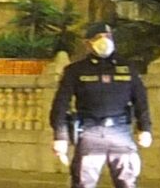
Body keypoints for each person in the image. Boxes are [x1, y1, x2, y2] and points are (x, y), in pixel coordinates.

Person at [49, 22, 151, 188]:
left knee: (127, 182)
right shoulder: (75, 70)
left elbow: (141, 100)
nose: (105, 40)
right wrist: (60, 137)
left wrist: (145, 128)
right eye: (99, 37)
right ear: (88, 43)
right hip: (89, 132)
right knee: (83, 182)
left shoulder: (127, 68)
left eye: (108, 36)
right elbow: (60, 104)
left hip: (120, 132)